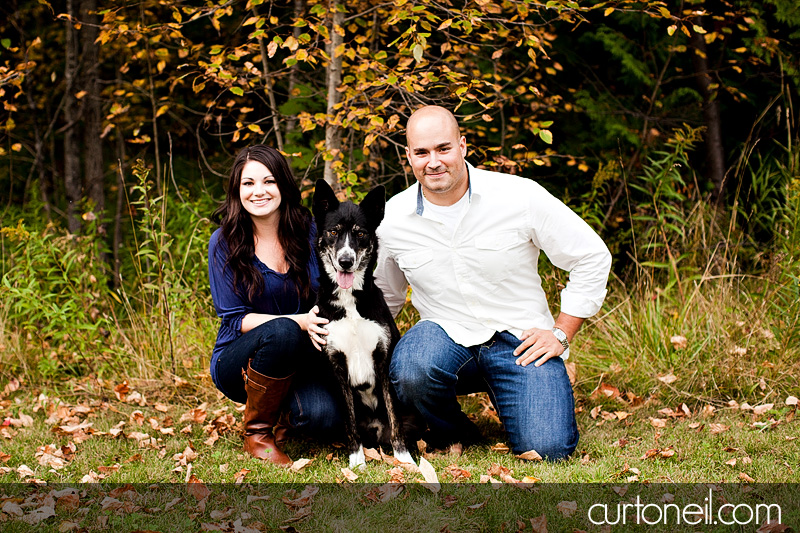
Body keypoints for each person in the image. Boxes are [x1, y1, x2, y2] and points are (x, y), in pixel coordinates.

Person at [373, 106, 612, 460]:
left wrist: (561, 332)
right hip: (445, 338)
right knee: (411, 367)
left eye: (443, 148)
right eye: (421, 152)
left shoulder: (518, 196)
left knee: (547, 449)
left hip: (522, 342)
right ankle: (453, 430)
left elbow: (591, 255)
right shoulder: (393, 218)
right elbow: (385, 297)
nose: (433, 161)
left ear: (463, 146)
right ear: (408, 156)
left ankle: (518, 396)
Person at [208, 144, 338, 466]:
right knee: (281, 330)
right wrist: (299, 321)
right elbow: (234, 319)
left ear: (283, 184)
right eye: (248, 184)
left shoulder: (308, 232)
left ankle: (285, 413)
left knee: (322, 418)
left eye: (268, 181)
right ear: (237, 191)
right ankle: (258, 435)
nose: (259, 192)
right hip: (240, 359)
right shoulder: (224, 241)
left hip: (302, 356)